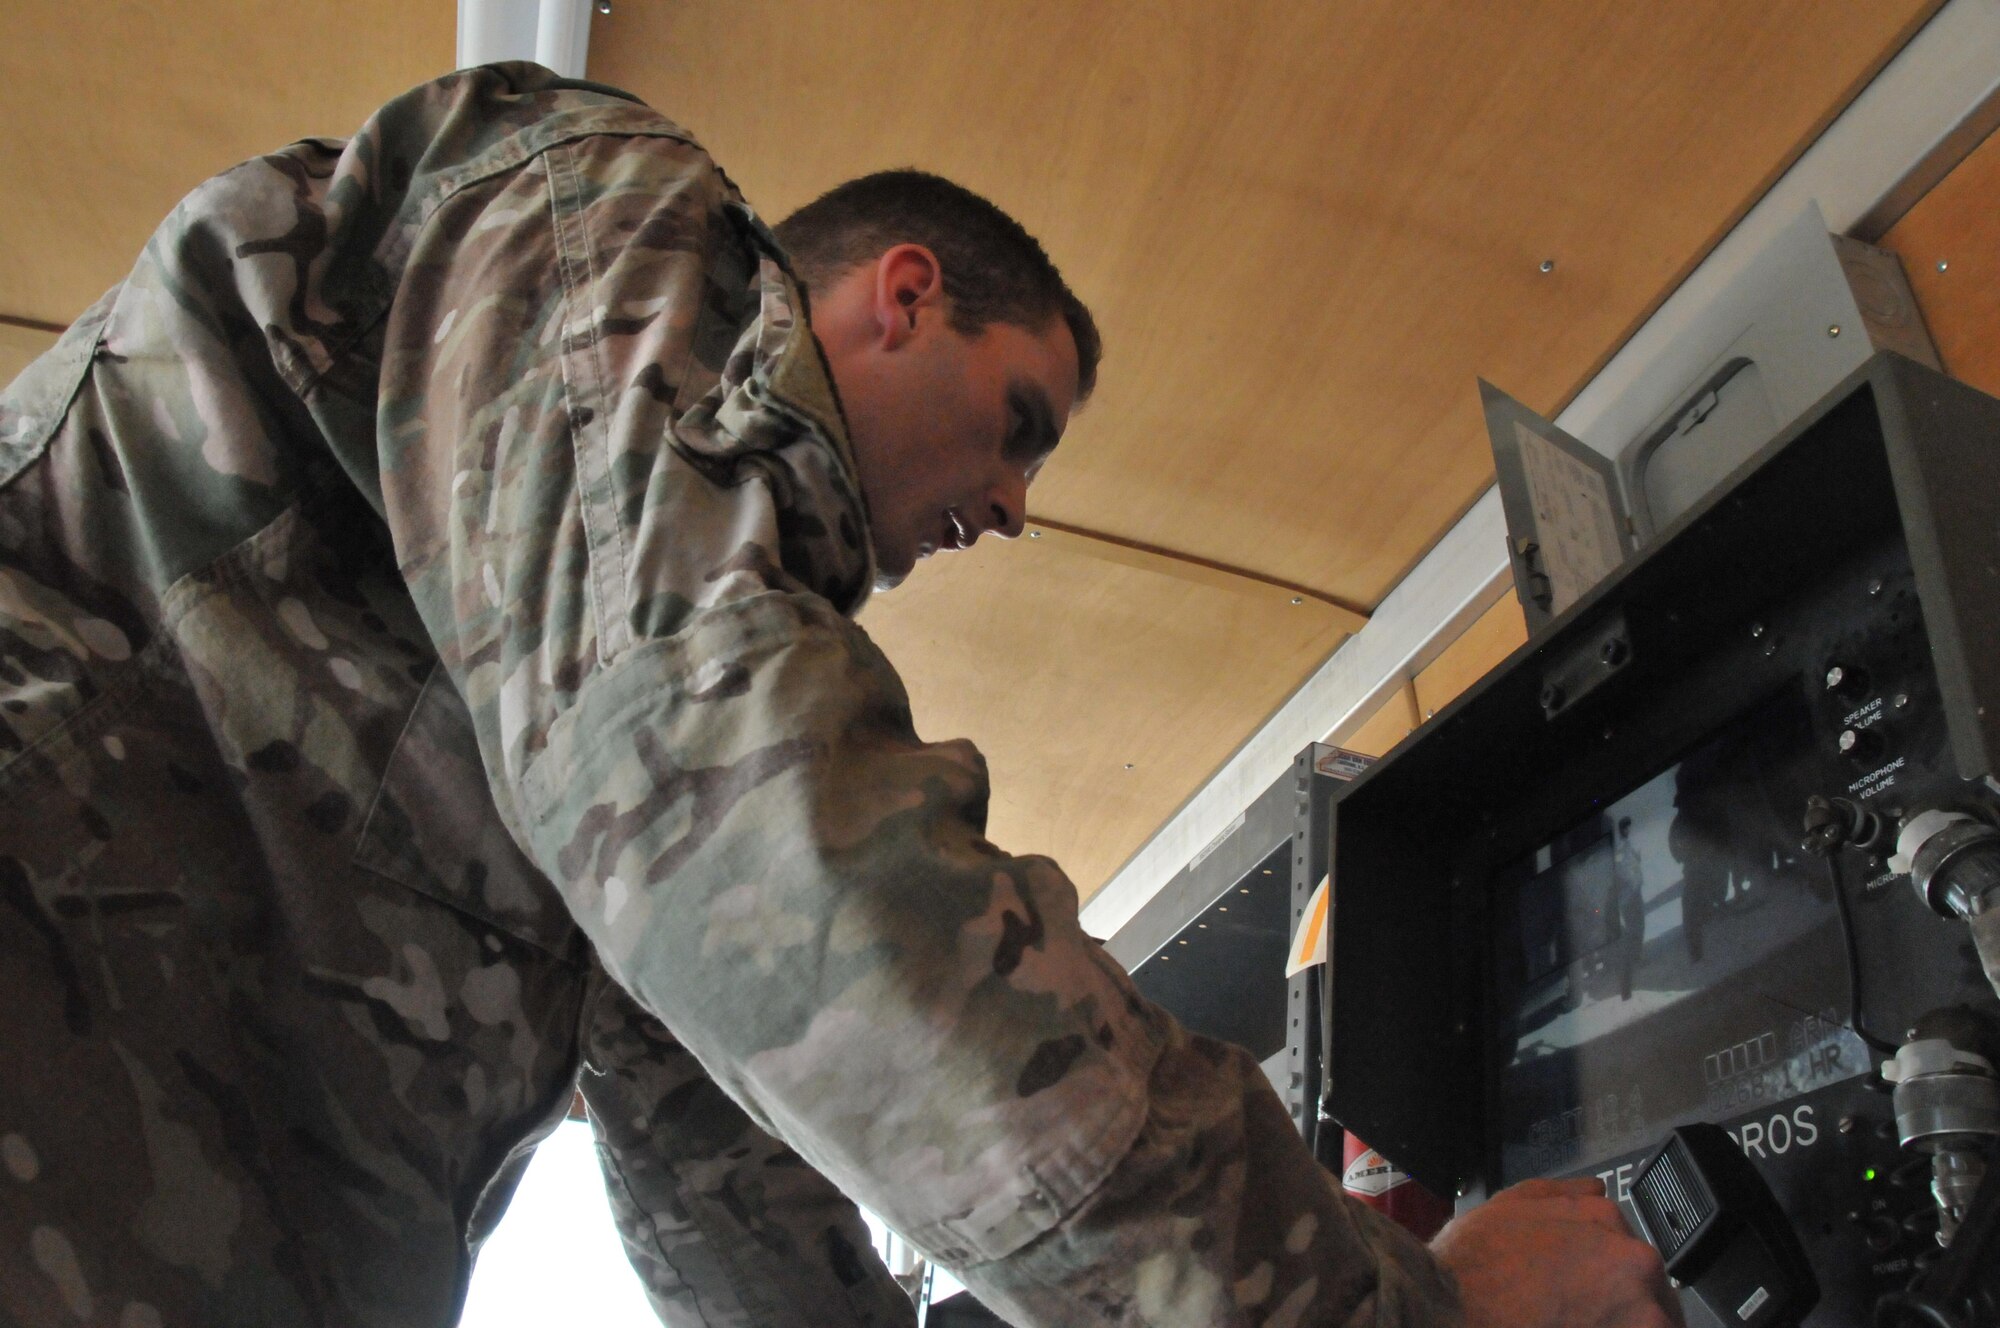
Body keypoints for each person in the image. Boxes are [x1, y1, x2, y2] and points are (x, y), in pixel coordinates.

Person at [0, 62, 1680, 1328]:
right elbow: (744, 819)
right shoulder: (588, 198)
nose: (1016, 508)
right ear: (903, 295)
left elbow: (739, 1217)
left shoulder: (593, 701)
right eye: (1022, 420)